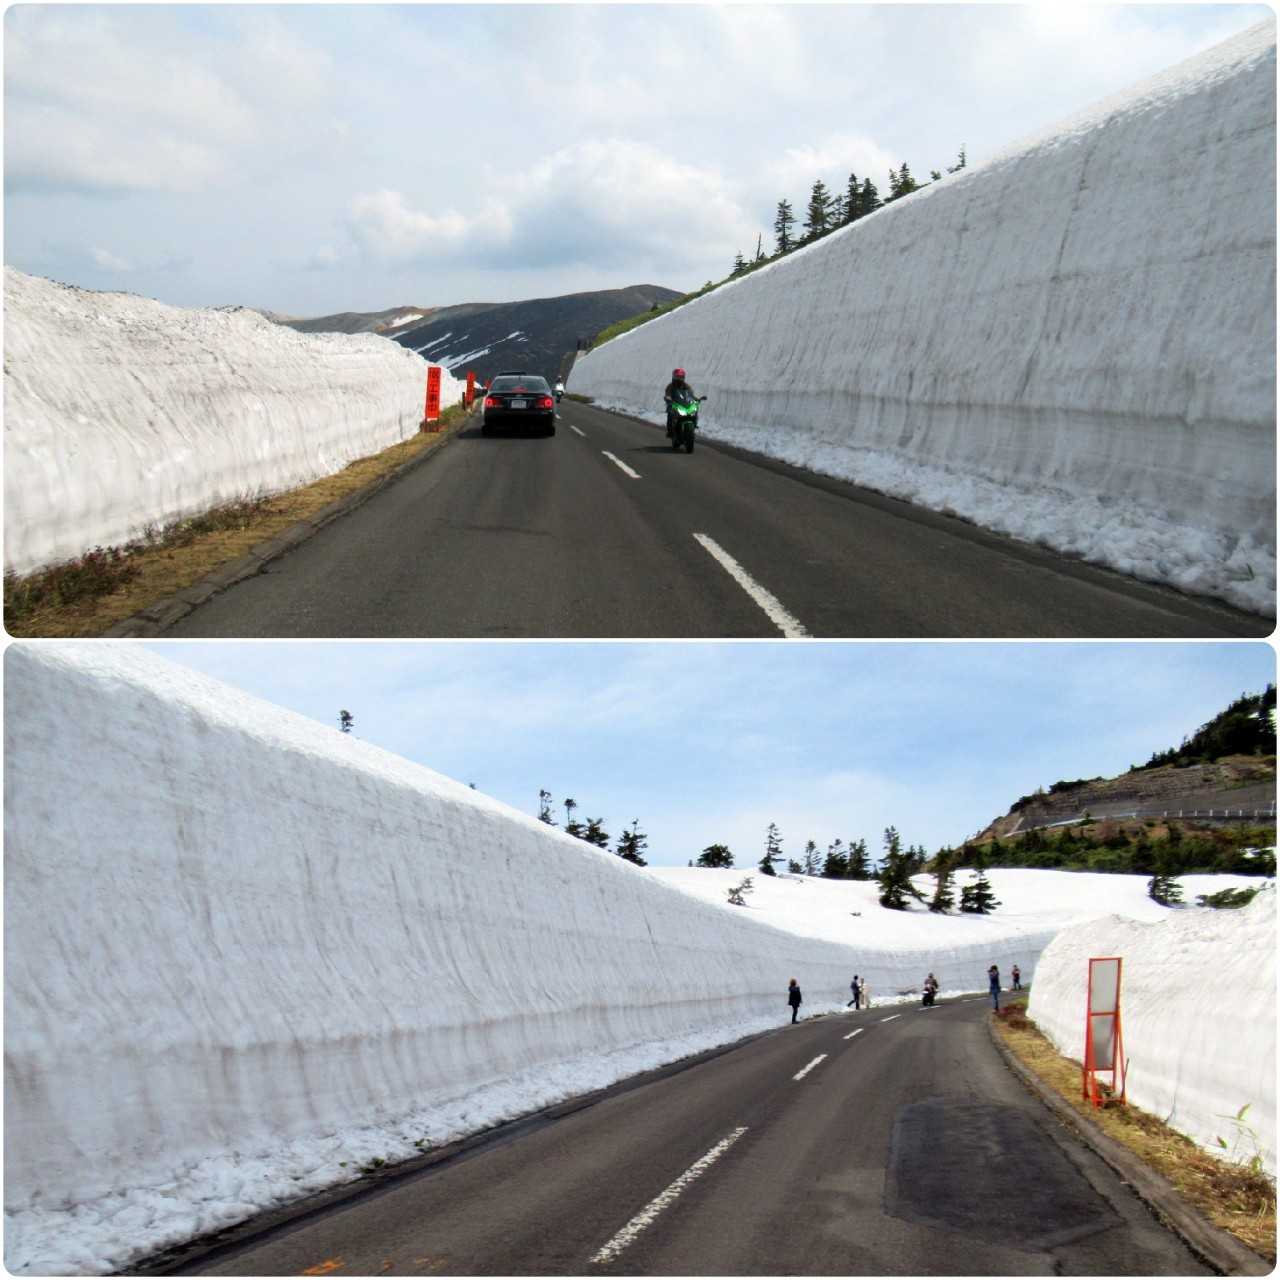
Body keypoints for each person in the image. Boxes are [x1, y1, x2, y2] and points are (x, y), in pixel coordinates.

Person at [663, 367, 697, 438]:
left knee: (693, 410)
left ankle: (692, 427)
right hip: (674, 404)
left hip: (683, 404)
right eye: (677, 377)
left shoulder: (686, 386)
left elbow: (691, 393)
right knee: (670, 414)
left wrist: (694, 398)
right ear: (674, 377)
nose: (679, 379)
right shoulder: (670, 386)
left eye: (681, 377)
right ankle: (670, 431)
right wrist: (668, 397)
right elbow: (667, 393)